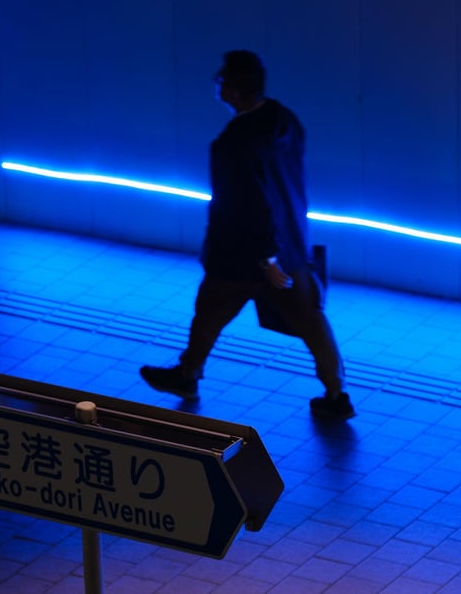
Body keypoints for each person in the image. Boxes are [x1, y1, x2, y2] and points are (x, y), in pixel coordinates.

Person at [140, 50, 354, 421]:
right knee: (310, 319)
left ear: (235, 91)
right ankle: (336, 393)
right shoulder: (284, 120)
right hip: (290, 246)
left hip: (241, 255)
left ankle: (187, 376)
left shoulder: (234, 143)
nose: (218, 85)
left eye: (221, 80)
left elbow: (249, 203)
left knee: (209, 314)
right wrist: (278, 252)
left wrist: (266, 257)